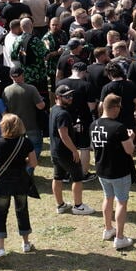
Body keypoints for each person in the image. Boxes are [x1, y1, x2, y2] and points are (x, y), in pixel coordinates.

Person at [0, 113, 37, 262]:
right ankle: (26, 243)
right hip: (21, 181)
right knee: (22, 211)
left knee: (0, 214)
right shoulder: (25, 142)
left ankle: (0, 248)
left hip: (2, 184)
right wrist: (23, 164)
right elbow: (33, 163)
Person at [90, 93, 136, 250]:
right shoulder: (119, 127)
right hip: (119, 171)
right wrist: (131, 137)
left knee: (107, 198)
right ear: (115, 107)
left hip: (102, 169)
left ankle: (108, 229)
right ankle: (120, 237)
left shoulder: (94, 124)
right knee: (121, 202)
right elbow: (129, 150)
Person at [49, 85, 94, 216]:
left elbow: (59, 131)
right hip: (66, 152)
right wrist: (74, 151)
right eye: (66, 96)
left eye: (71, 95)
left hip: (55, 151)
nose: (70, 98)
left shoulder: (54, 110)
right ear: (58, 97)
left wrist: (72, 129)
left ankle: (60, 205)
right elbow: (63, 135)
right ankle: (78, 206)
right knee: (77, 178)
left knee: (57, 177)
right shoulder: (63, 113)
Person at [3, 66, 46, 167]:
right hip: (31, 124)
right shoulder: (31, 89)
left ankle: (20, 166)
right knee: (36, 146)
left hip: (15, 125)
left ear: (11, 77)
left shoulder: (6, 90)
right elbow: (41, 106)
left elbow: (5, 108)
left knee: (17, 147)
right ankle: (29, 168)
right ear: (23, 75)